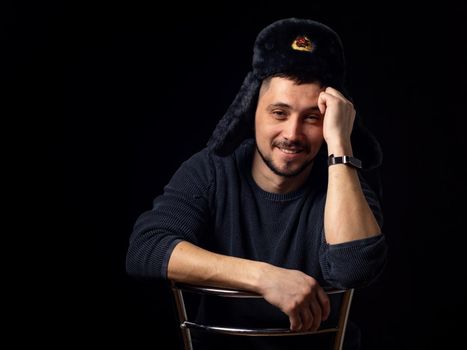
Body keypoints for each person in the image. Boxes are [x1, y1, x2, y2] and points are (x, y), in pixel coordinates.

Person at [126, 18, 387, 350]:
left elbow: (355, 268)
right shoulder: (212, 170)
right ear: (252, 113)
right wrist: (264, 278)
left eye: (312, 118)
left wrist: (340, 145)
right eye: (279, 113)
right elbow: (145, 248)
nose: (292, 134)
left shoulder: (344, 180)